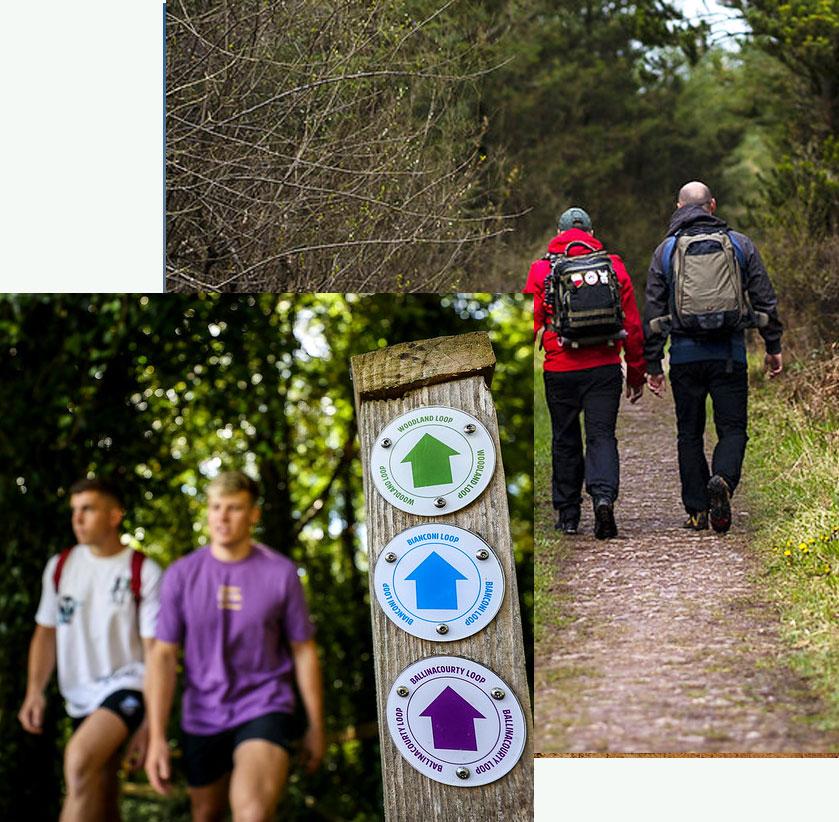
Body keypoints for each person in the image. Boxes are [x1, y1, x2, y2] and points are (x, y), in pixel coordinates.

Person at [145, 470, 325, 821]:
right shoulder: (182, 575)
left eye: (234, 508)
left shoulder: (280, 573)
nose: (222, 517)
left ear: (253, 514)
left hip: (264, 703)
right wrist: (156, 736)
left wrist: (316, 725)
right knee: (206, 813)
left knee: (253, 813)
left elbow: (304, 650)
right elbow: (163, 654)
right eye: (215, 507)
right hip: (202, 712)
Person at [18, 478, 162, 822]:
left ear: (114, 516)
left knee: (79, 758)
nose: (77, 519)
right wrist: (34, 691)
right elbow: (46, 632)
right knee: (99, 789)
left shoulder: (144, 571)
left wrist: (152, 728)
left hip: (127, 686)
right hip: (80, 693)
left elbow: (156, 653)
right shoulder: (61, 566)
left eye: (88, 510)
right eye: (74, 511)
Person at [644, 181, 783, 533]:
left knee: (688, 433)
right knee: (733, 428)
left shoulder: (666, 250)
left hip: (685, 358)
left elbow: (654, 310)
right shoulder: (740, 244)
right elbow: (765, 298)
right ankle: (722, 479)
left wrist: (652, 364)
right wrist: (773, 346)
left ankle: (697, 511)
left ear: (678, 206)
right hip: (729, 354)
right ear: (713, 205)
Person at [525, 207, 646, 539]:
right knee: (601, 436)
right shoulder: (614, 267)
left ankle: (568, 514)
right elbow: (632, 326)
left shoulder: (540, 270)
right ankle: (603, 498)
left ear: (558, 232)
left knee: (565, 438)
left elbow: (532, 322)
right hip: (604, 368)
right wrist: (636, 373)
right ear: (591, 234)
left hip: (560, 369)